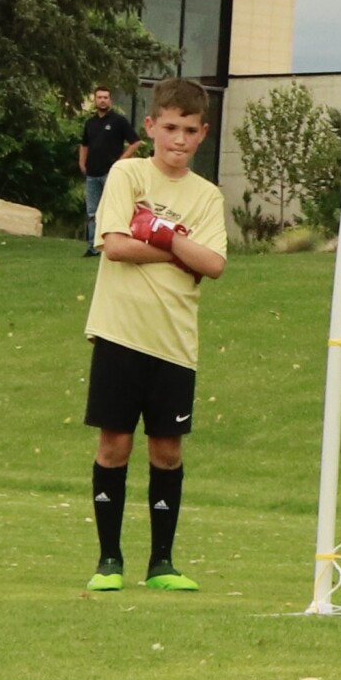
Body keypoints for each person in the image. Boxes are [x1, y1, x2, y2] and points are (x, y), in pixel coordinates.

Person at [83, 77, 228, 594]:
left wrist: (159, 230)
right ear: (150, 126)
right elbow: (116, 246)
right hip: (120, 333)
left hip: (174, 343)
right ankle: (109, 561)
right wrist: (178, 249)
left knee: (167, 452)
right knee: (114, 445)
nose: (178, 139)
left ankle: (162, 563)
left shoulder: (207, 196)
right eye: (169, 127)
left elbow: (213, 264)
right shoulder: (128, 174)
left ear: (203, 133)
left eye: (190, 130)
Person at [79, 86, 139, 259]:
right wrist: (82, 162)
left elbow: (135, 142)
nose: (103, 100)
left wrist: (121, 161)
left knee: (113, 210)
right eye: (99, 97)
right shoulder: (90, 123)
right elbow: (84, 145)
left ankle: (113, 245)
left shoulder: (118, 121)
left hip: (111, 174)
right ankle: (92, 247)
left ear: (110, 100)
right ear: (95, 100)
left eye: (106, 97)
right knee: (92, 212)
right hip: (92, 174)